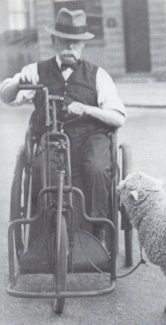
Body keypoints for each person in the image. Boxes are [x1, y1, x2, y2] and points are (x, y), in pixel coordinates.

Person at [0, 8, 126, 244]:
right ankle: (46, 235)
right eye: (65, 41)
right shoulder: (36, 71)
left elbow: (118, 118)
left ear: (83, 45)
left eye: (75, 42)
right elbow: (5, 97)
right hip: (52, 138)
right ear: (54, 41)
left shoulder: (99, 76)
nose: (70, 47)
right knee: (41, 169)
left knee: (97, 168)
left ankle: (97, 230)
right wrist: (18, 83)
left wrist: (87, 109)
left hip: (91, 139)